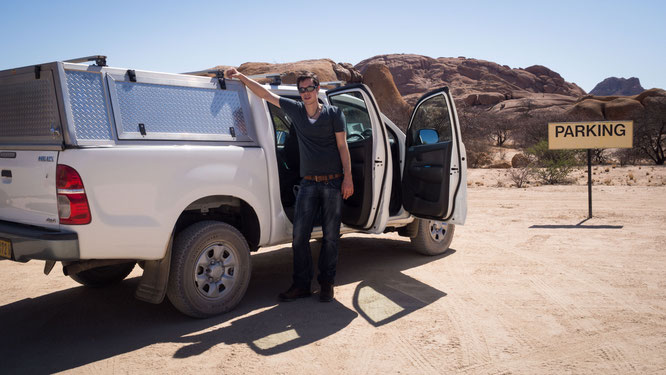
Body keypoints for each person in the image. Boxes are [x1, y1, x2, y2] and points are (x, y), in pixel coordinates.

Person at [225, 68, 353, 302]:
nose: (306, 93)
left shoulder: (334, 114)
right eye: (301, 90)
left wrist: (348, 178)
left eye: (309, 89)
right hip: (307, 184)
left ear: (317, 89)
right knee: (299, 237)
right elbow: (265, 94)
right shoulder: (296, 110)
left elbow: (343, 147)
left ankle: (327, 284)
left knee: (331, 237)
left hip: (333, 183)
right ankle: (302, 284)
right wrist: (241, 77)